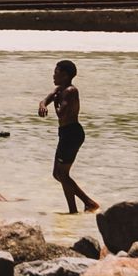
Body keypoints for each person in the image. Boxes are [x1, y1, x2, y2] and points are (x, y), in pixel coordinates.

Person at [38, 59, 99, 214]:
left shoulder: (70, 91)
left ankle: (87, 203)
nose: (53, 75)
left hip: (72, 133)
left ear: (65, 75)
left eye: (56, 72)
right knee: (57, 174)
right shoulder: (60, 88)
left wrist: (56, 100)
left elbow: (61, 112)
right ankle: (75, 209)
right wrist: (43, 105)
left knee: (62, 174)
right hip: (65, 133)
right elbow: (46, 99)